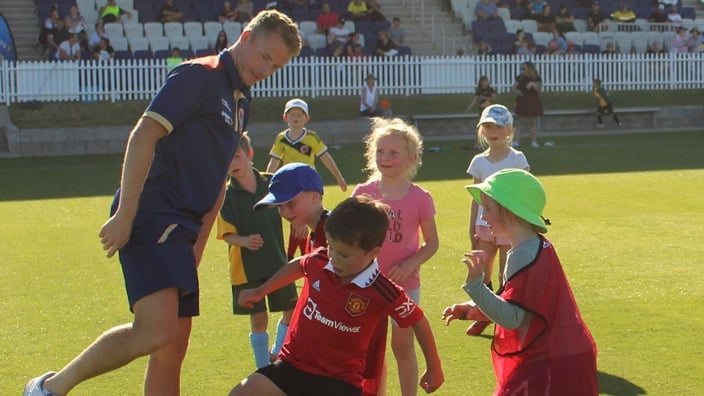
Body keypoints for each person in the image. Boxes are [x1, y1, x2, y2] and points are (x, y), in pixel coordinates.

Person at [23, 10, 301, 396]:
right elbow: (144, 134)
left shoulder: (241, 101)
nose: (267, 68)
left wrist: (197, 249)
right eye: (266, 57)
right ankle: (48, 388)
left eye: (278, 65)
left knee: (173, 347)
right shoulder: (198, 76)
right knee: (156, 331)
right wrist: (125, 214)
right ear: (247, 35)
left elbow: (218, 184)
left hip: (184, 229)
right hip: (155, 214)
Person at [229, 195, 444, 396]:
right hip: (292, 365)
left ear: (373, 252)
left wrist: (434, 368)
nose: (334, 259)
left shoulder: (382, 290)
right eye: (331, 247)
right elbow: (301, 265)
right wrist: (261, 290)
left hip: (339, 382)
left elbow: (418, 320)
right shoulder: (321, 260)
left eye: (344, 254)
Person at [442, 168, 598, 395]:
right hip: (564, 354)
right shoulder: (536, 245)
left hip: (551, 360)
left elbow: (512, 317)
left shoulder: (522, 255)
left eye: (488, 208)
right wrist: (470, 310)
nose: (483, 217)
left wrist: (475, 286)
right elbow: (516, 300)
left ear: (510, 212)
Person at [351, 117, 440, 396]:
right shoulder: (363, 193)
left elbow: (432, 243)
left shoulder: (420, 198)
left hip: (405, 285)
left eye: (393, 152)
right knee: (366, 348)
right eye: (379, 151)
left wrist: (411, 262)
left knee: (402, 347)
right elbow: (349, 235)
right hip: (365, 285)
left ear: (412, 158)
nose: (384, 157)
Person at [216, 132, 297, 369]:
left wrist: (298, 223)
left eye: (236, 156)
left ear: (249, 155)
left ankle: (278, 353)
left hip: (277, 262)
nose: (232, 164)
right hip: (247, 268)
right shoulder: (226, 196)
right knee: (258, 318)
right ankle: (263, 369)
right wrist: (245, 240)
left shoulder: (272, 182)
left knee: (291, 310)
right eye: (226, 159)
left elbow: (293, 206)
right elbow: (226, 234)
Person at [465, 104, 530, 336]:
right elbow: (475, 198)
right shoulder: (479, 162)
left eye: (498, 126)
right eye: (488, 126)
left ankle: (505, 318)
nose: (493, 131)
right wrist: (472, 225)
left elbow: (526, 191)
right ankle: (485, 314)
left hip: (509, 227)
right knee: (483, 274)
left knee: (507, 273)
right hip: (484, 225)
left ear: (509, 130)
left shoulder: (517, 159)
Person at [265, 98, 348, 259]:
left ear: (306, 118)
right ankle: (302, 257)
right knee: (296, 223)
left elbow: (325, 157)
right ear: (285, 117)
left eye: (299, 114)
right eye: (292, 114)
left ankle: (301, 256)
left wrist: (339, 177)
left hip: (309, 186)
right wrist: (268, 182)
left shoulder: (312, 138)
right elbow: (273, 162)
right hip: (289, 187)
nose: (295, 117)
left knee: (311, 221)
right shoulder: (281, 139)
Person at [255, 163, 332, 257]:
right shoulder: (316, 232)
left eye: (291, 203)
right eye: (279, 206)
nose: (284, 212)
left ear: (314, 197)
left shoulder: (332, 233)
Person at [512, 61, 543, 148]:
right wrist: (518, 92)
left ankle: (534, 141)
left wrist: (533, 84)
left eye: (524, 68)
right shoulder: (520, 78)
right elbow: (513, 88)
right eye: (522, 68)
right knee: (519, 121)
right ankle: (516, 141)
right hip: (523, 99)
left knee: (533, 122)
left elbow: (539, 89)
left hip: (533, 99)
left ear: (529, 69)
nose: (523, 70)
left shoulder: (536, 78)